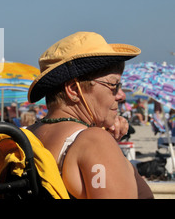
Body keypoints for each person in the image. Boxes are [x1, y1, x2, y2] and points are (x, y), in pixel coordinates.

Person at [27, 31, 153, 199]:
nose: (122, 95)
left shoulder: (26, 135)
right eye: (114, 85)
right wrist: (103, 144)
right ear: (73, 89)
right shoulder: (95, 142)